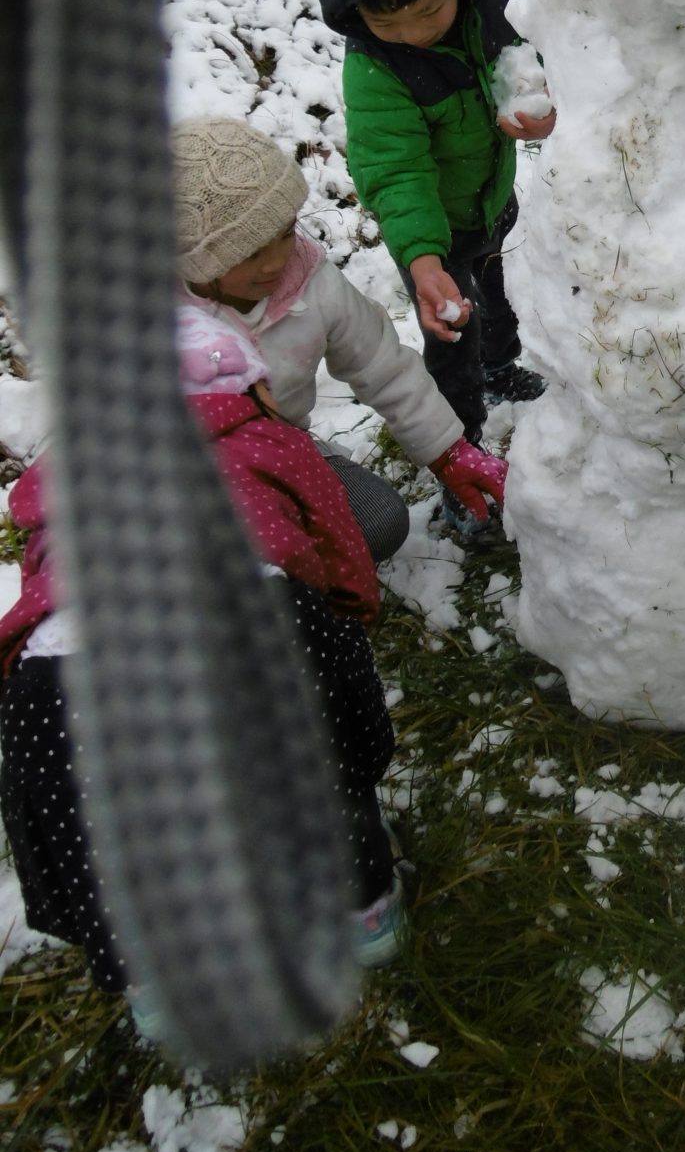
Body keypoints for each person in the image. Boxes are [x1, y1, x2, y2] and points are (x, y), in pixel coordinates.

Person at [0, 305, 405, 1029]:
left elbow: (40, 582)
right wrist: (346, 617)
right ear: (248, 390)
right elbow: (338, 535)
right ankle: (362, 912)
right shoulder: (270, 438)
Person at [172, 114, 508, 553]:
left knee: (379, 522)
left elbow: (379, 363)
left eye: (284, 233)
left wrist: (446, 451)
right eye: (250, 252)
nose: (275, 262)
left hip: (285, 452)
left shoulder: (308, 279)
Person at [309, 0, 556, 444]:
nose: (415, 34)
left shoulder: (500, 1)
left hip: (491, 199)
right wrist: (424, 262)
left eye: (427, 11)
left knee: (497, 295)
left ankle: (501, 367)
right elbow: (395, 169)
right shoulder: (377, 67)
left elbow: (553, 54)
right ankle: (459, 438)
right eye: (387, 22)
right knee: (452, 329)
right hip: (432, 229)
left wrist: (544, 108)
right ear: (356, 13)